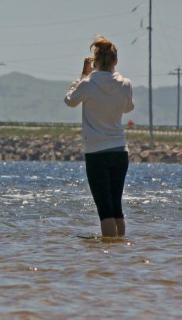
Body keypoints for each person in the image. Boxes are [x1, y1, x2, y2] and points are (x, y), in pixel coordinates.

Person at [64, 35, 135, 237]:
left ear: (95, 62)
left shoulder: (88, 84)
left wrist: (82, 76)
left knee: (105, 211)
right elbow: (129, 107)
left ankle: (107, 256)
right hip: (120, 151)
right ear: (115, 61)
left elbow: (69, 100)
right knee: (116, 207)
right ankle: (120, 251)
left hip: (97, 152)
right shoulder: (126, 84)